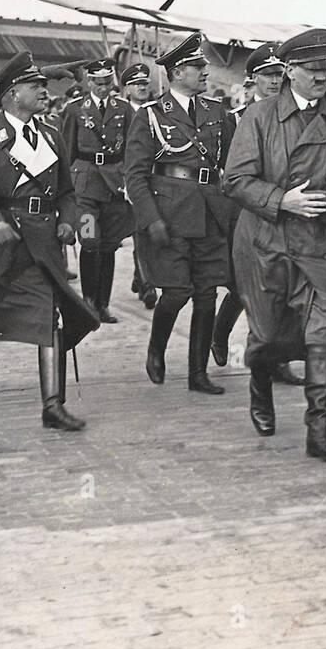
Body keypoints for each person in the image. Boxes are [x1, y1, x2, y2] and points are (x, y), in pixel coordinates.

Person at [222, 28, 326, 463]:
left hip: (319, 243)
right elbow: (234, 180)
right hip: (264, 243)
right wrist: (281, 200)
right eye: (311, 70)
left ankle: (319, 430)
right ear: (289, 71)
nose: (320, 78)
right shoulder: (259, 117)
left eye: (325, 69)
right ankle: (260, 387)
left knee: (323, 333)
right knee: (268, 334)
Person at [0, 51, 99, 430]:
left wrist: (68, 221)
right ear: (11, 94)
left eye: (42, 84)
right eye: (34, 86)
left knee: (50, 315)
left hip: (42, 240)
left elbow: (68, 191)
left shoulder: (51, 135)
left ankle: (53, 404)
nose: (43, 91)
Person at [124, 32, 236, 396]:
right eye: (195, 66)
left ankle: (197, 373)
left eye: (203, 65)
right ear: (175, 73)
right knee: (175, 292)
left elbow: (231, 167)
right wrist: (150, 218)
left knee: (207, 294)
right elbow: (136, 175)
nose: (204, 72)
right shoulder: (151, 115)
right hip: (169, 214)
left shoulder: (217, 113)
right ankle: (156, 350)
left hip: (211, 212)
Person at [211, 42, 302, 386]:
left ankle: (278, 361)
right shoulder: (234, 120)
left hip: (285, 212)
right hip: (243, 215)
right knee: (242, 286)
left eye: (280, 74)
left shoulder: (296, 117)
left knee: (286, 286)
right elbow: (226, 172)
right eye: (267, 75)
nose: (275, 81)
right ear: (252, 80)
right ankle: (221, 335)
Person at [60, 56, 136, 323]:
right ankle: (89, 301)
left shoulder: (125, 110)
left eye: (108, 82)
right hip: (86, 188)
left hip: (114, 186)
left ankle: (102, 304)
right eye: (99, 83)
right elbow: (66, 152)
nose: (104, 88)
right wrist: (64, 193)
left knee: (109, 246)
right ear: (90, 81)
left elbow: (132, 148)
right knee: (90, 242)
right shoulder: (74, 110)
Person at [118, 62, 160, 309]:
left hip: (154, 179)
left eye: (145, 83)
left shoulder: (158, 111)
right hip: (128, 181)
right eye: (136, 84)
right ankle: (146, 283)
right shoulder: (120, 113)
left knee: (146, 234)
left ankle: (142, 277)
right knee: (139, 233)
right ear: (127, 89)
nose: (142, 88)